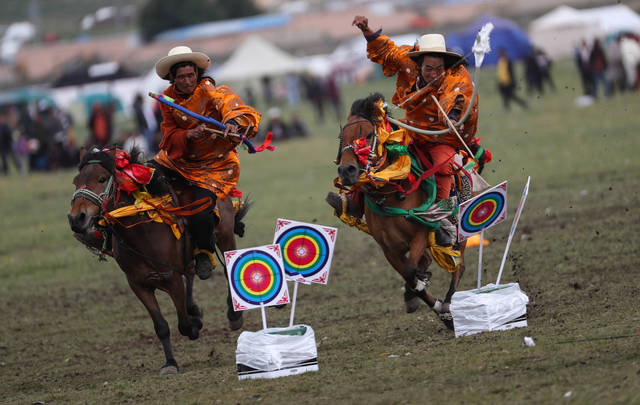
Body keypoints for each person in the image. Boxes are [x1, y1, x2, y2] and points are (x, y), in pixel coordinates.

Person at [338, 15, 479, 246]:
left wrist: (452, 117)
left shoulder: (456, 75)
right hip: (410, 126)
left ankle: (441, 216)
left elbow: (458, 96)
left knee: (443, 164)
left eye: (438, 69)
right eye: (428, 68)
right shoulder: (407, 61)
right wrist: (367, 31)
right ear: (419, 62)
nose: (433, 73)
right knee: (375, 147)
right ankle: (355, 199)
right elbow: (386, 51)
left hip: (441, 134)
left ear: (445, 65)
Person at [153, 46, 261, 280]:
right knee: (144, 175)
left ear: (197, 74)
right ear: (173, 78)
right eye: (181, 77)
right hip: (180, 161)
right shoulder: (166, 99)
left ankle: (203, 252)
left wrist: (232, 122)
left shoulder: (208, 89)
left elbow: (227, 103)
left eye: (191, 75)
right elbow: (168, 134)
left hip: (214, 165)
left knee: (201, 211)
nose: (187, 81)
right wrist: (188, 136)